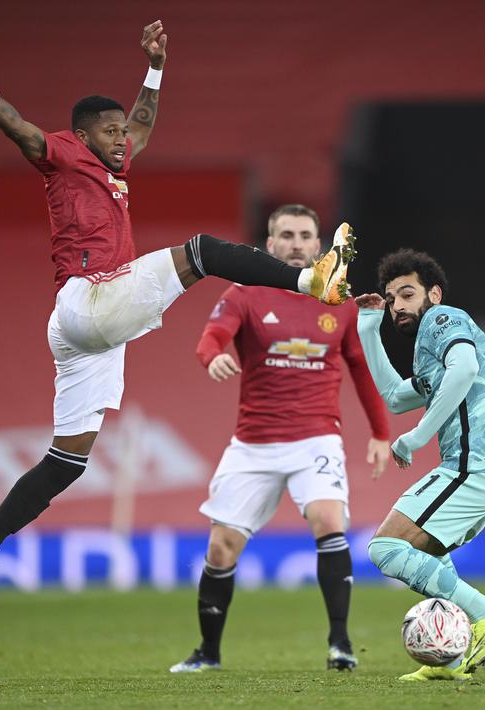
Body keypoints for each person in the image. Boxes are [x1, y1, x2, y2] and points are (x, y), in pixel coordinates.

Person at [0, 22, 358, 621]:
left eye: (120, 132)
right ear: (82, 135)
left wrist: (155, 68)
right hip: (92, 298)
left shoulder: (114, 159)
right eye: (107, 132)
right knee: (202, 252)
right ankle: (308, 280)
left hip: (83, 329)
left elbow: (142, 120)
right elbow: (24, 133)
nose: (120, 140)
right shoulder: (63, 152)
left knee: (69, 458)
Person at [168, 205, 392, 673]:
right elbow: (211, 337)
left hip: (317, 439)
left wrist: (380, 432)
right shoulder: (244, 293)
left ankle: (340, 644)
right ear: (269, 246)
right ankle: (208, 652)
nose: (295, 243)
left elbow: (360, 369)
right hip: (254, 443)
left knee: (328, 521)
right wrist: (211, 358)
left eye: (305, 235)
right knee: (220, 549)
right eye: (285, 235)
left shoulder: (339, 303)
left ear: (319, 246)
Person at [354, 249, 485, 682]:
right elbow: (395, 396)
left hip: (476, 465)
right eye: (392, 299)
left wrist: (418, 435)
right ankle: (450, 659)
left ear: (433, 293)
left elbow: (465, 367)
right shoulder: (429, 352)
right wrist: (368, 328)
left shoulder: (443, 319)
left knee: (386, 548)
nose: (398, 306)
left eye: (407, 294)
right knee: (423, 552)